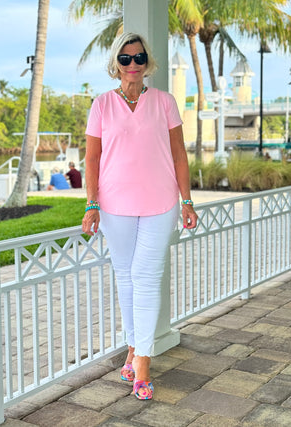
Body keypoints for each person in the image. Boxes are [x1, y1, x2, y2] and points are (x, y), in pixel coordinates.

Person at [82, 32, 197, 400]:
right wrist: (91, 204)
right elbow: (92, 160)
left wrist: (187, 200)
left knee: (147, 278)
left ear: (148, 63)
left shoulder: (165, 102)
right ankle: (133, 347)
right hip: (115, 207)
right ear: (116, 64)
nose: (134, 64)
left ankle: (142, 362)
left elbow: (179, 155)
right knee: (127, 279)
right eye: (126, 58)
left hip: (161, 204)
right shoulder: (101, 105)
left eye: (140, 57)